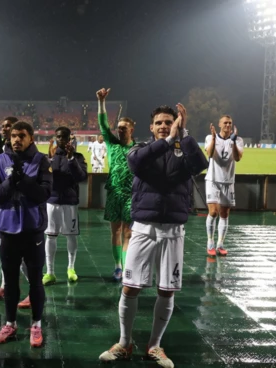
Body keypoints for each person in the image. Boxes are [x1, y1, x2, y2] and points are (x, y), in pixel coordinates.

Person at [99, 104, 207, 367]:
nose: (163, 126)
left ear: (177, 123)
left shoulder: (184, 148)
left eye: (168, 122)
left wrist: (183, 136)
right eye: (158, 122)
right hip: (143, 228)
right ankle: (124, 343)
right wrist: (168, 141)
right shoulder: (141, 150)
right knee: (130, 287)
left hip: (173, 229)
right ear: (151, 127)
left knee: (167, 290)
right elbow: (135, 163)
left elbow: (200, 165)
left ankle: (155, 346)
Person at [0, 121, 52, 348]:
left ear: (31, 138)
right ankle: (10, 324)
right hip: (7, 230)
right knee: (11, 281)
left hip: (33, 230)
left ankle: (36, 324)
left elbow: (44, 193)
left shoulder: (42, 161)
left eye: (21, 136)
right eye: (13, 136)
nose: (16, 140)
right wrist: (9, 183)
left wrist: (22, 181)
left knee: (35, 281)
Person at [0, 117, 32, 309]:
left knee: (22, 255)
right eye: (2, 126)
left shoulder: (21, 152)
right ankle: (5, 287)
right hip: (2, 208)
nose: (3, 129)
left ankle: (31, 290)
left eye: (8, 126)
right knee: (5, 252)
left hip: (20, 209)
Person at [97, 88, 136, 281]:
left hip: (131, 195)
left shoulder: (137, 148)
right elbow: (103, 125)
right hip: (114, 193)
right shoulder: (112, 144)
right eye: (119, 127)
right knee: (116, 231)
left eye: (123, 128)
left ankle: (127, 268)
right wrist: (101, 102)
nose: (120, 130)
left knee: (128, 233)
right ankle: (117, 266)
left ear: (131, 129)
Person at [43, 126, 87, 285]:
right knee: (51, 236)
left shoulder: (78, 157)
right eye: (58, 137)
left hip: (70, 202)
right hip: (52, 201)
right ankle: (50, 272)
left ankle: (71, 268)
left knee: (71, 235)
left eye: (64, 137)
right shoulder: (50, 158)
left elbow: (81, 177)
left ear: (70, 139)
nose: (61, 140)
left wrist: (71, 159)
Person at [204, 116, 244, 256]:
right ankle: (210, 242)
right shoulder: (210, 137)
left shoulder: (237, 140)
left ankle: (220, 244)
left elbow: (238, 158)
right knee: (213, 212)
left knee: (224, 214)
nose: (228, 125)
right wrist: (214, 138)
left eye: (230, 123)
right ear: (219, 124)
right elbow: (209, 153)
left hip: (228, 181)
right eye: (225, 122)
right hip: (213, 180)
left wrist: (232, 142)